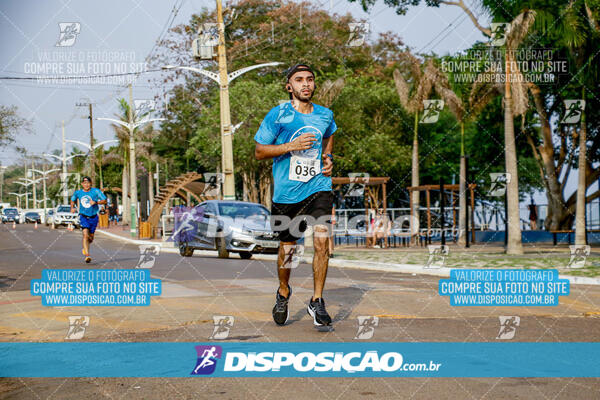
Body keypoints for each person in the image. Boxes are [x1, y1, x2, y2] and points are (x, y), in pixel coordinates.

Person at [255, 63, 336, 327]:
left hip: (319, 186)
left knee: (322, 241)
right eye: (299, 80)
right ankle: (283, 290)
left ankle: (317, 300)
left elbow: (329, 136)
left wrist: (328, 158)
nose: (306, 84)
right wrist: (290, 145)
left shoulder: (325, 115)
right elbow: (259, 151)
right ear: (289, 86)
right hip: (287, 194)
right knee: (288, 250)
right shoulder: (278, 115)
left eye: (310, 79)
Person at [70, 176, 107, 263]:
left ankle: (85, 247)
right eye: (84, 183)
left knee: (91, 238)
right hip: (83, 216)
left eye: (88, 183)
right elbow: (72, 200)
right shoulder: (78, 193)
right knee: (85, 235)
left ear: (91, 184)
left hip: (93, 216)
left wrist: (96, 202)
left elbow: (104, 200)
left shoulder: (96, 191)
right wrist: (72, 207)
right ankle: (87, 255)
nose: (86, 185)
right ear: (82, 184)